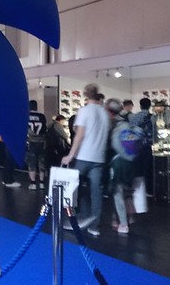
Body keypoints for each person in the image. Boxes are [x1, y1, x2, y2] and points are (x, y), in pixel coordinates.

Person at [62, 83, 109, 236]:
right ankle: (94, 226)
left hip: (84, 156)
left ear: (85, 95)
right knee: (96, 193)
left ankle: (73, 220)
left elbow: (79, 135)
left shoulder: (85, 111)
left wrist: (70, 155)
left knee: (71, 189)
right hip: (99, 158)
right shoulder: (104, 113)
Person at [105, 98, 138, 235]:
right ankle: (126, 218)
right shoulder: (127, 122)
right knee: (126, 192)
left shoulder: (113, 125)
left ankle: (123, 223)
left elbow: (115, 145)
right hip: (130, 162)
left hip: (118, 162)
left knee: (117, 193)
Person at [129, 98, 155, 195]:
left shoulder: (134, 117)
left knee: (137, 168)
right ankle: (148, 190)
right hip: (147, 146)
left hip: (135, 145)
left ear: (140, 106)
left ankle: (137, 190)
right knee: (147, 169)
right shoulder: (152, 117)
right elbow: (155, 132)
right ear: (150, 106)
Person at [26, 100, 47, 190]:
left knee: (32, 163)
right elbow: (45, 129)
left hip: (31, 142)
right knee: (41, 163)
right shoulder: (42, 116)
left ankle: (33, 183)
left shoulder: (26, 116)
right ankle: (42, 183)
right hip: (41, 142)